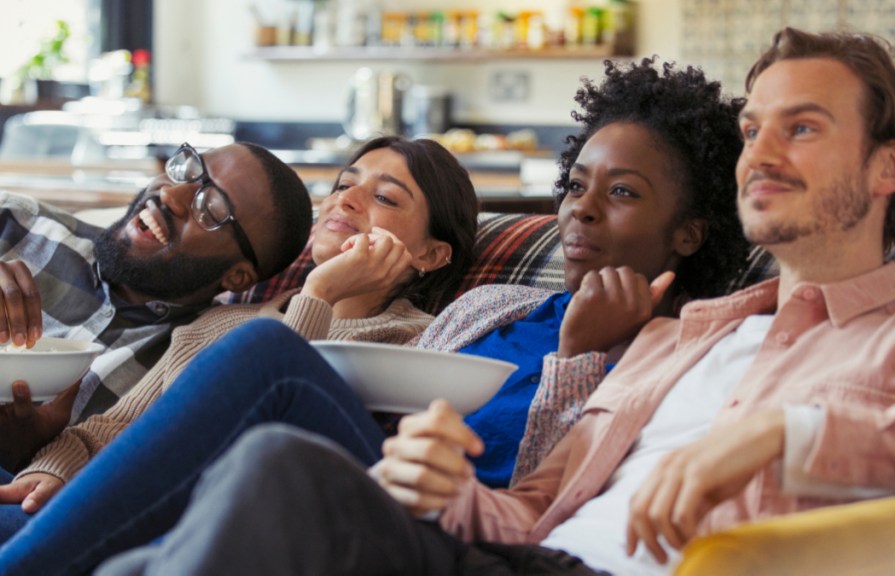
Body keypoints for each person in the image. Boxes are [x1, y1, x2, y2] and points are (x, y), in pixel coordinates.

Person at [94, 28, 895, 576]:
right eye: (752, 130)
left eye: (804, 127)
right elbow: (529, 510)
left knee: (277, 473)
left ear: (889, 168)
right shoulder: (681, 339)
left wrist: (800, 434)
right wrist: (451, 490)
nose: (762, 151)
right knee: (277, 471)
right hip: (518, 561)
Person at [0, 59, 749, 574]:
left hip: (436, 515)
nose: (581, 207)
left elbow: (545, 498)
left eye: (621, 193)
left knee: (264, 362)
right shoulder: (496, 304)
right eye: (577, 184)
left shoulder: (678, 347)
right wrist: (46, 466)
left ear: (688, 230)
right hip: (359, 472)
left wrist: (579, 355)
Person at [0, 135, 479, 541]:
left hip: (201, 523)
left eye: (386, 198)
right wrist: (52, 470)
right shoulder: (222, 320)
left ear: (432, 254)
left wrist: (321, 295)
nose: (347, 200)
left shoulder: (418, 342)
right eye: (344, 185)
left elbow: (274, 430)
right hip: (106, 496)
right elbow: (111, 428)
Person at [0, 141, 313, 472]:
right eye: (190, 169)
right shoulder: (16, 222)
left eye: (212, 207)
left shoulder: (193, 369)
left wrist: (27, 452)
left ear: (237, 277)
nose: (171, 196)